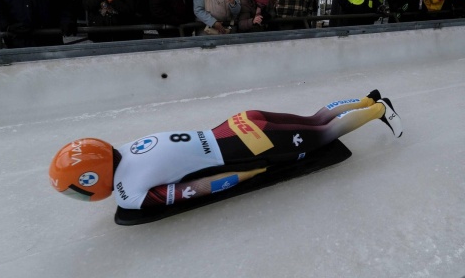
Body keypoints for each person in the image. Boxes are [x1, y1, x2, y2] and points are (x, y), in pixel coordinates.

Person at [49, 90, 402, 211]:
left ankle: (377, 110)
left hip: (247, 145)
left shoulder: (128, 195)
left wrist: (249, 173)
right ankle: (365, 99)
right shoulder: (124, 147)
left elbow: (201, 188)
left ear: (91, 178)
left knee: (322, 136)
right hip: (239, 122)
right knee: (314, 118)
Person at [0, 0, 77, 48]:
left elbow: (65, 4)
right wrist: (7, 26)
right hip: (19, 41)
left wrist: (67, 20)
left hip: (51, 39)